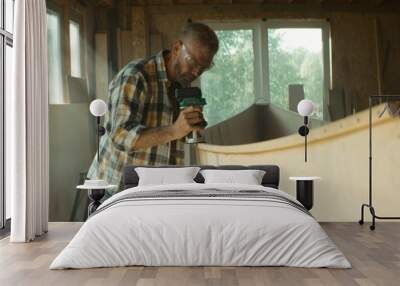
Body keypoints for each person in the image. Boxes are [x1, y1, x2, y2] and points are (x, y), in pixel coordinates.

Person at [86, 21, 219, 196]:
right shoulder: (136, 76)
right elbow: (119, 136)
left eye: (204, 67)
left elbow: (167, 140)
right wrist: (174, 130)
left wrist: (188, 130)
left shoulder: (181, 86)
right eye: (192, 62)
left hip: (151, 191)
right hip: (115, 190)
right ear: (177, 48)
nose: (196, 72)